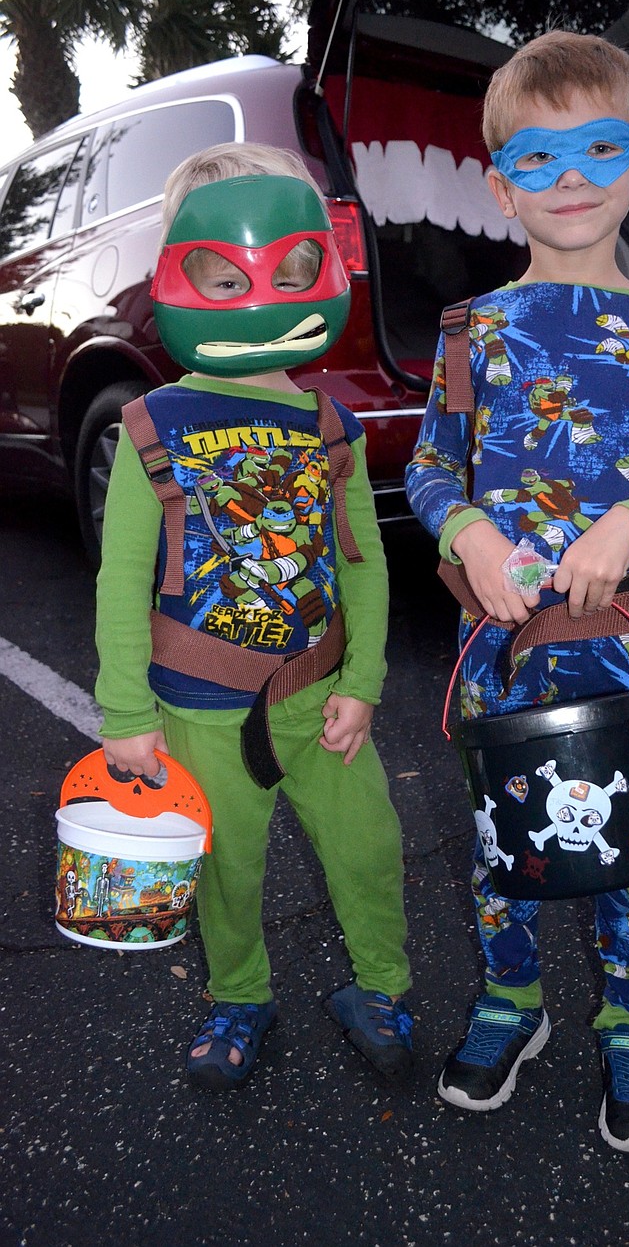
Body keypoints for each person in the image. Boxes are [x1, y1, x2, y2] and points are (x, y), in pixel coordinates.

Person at [405, 30, 629, 1153]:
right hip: (498, 652)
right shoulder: (469, 334)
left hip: (627, 654)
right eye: (538, 159)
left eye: (599, 150)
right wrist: (466, 529)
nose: (570, 180)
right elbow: (429, 467)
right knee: (500, 840)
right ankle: (513, 1000)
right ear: (502, 187)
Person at [95, 142, 413, 1091]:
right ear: (180, 274)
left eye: (288, 266)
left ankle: (381, 986)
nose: (257, 292)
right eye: (225, 274)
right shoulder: (151, 425)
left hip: (321, 703)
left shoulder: (331, 425)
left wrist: (363, 683)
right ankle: (239, 994)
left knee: (369, 848)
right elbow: (121, 578)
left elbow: (364, 567)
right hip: (200, 706)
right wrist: (127, 714)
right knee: (227, 867)